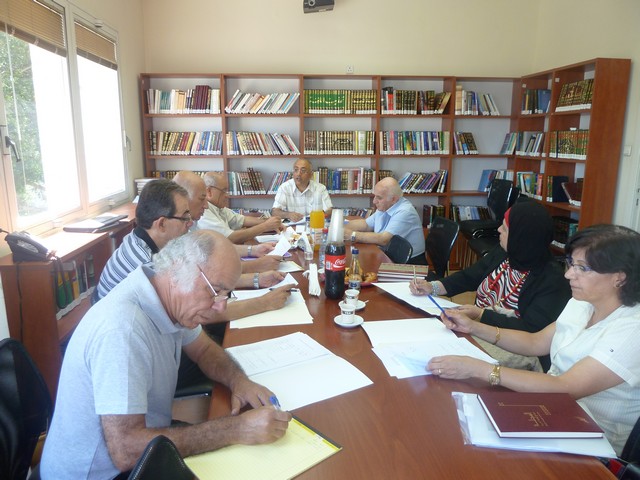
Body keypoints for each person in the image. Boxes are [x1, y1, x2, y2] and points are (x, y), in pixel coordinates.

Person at [40, 230, 292, 479]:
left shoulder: (165, 293)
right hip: (106, 472)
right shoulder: (123, 330)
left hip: (142, 443)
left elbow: (204, 350)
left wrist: (239, 380)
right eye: (215, 291)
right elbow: (125, 451)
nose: (221, 306)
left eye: (226, 294)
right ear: (178, 269)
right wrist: (237, 429)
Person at [427, 224, 640, 456]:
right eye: (571, 264)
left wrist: (480, 369)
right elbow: (535, 342)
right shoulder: (582, 303)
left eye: (583, 268)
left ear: (619, 277)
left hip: (596, 439)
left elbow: (566, 387)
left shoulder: (632, 329)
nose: (569, 274)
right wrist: (474, 327)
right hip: (552, 410)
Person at [95, 178, 291, 332]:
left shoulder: (151, 241)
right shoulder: (146, 265)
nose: (190, 223)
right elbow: (203, 311)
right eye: (184, 217)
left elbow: (207, 278)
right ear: (161, 224)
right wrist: (263, 302)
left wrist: (256, 278)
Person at [410, 199, 571, 371]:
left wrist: (481, 315)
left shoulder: (553, 281)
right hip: (476, 330)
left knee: (437, 362)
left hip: (512, 350)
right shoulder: (505, 253)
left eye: (505, 228)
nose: (498, 230)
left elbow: (531, 330)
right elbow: (469, 276)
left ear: (520, 238)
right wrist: (433, 287)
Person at [173, 170, 282, 274]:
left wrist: (254, 249)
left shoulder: (194, 219)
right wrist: (254, 266)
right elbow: (227, 240)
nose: (206, 205)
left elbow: (215, 247)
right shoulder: (199, 217)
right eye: (224, 191)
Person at [344, 176, 426, 265]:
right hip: (388, 256)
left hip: (410, 264)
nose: (374, 201)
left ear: (393, 199)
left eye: (379, 198)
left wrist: (352, 235)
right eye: (374, 196)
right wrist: (338, 226)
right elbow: (366, 224)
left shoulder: (405, 211)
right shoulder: (386, 205)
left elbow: (384, 239)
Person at [199, 171, 284, 244]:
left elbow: (241, 220)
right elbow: (230, 238)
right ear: (209, 191)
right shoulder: (203, 212)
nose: (227, 195)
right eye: (224, 191)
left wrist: (269, 222)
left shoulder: (218, 207)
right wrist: (265, 226)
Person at [271, 158, 332, 222]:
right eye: (296, 170)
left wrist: (317, 216)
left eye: (303, 170)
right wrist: (289, 215)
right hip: (292, 226)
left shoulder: (320, 188)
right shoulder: (285, 187)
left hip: (314, 224)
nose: (298, 174)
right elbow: (275, 212)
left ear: (311, 175)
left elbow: (329, 210)